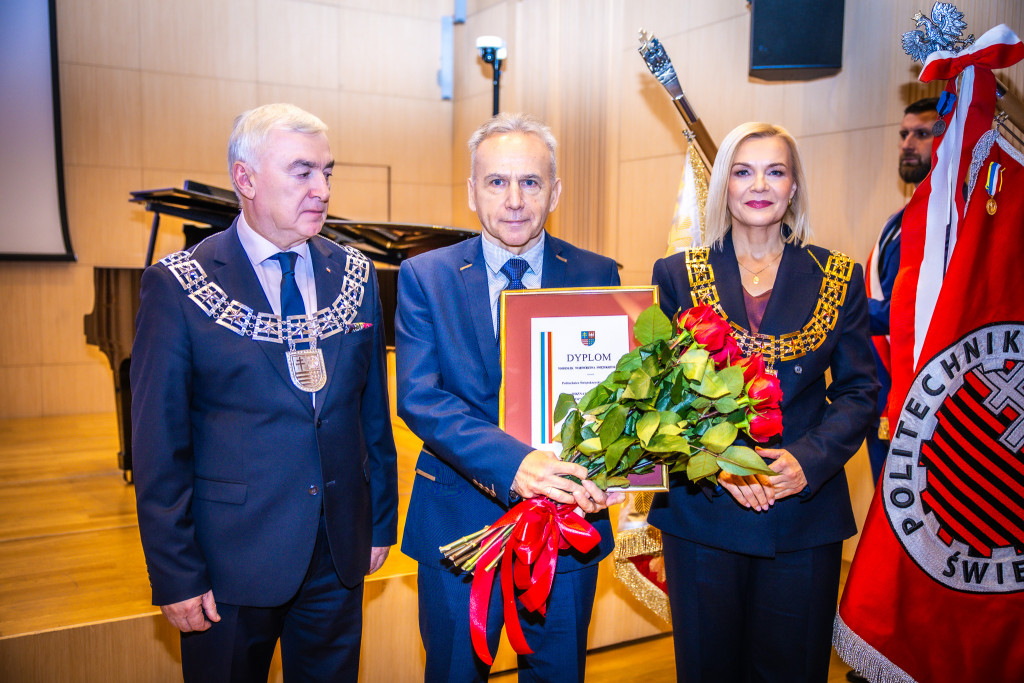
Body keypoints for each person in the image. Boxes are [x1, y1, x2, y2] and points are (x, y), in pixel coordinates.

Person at [131, 103, 398, 682]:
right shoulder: (178, 285)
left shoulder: (356, 276)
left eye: (327, 171)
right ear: (245, 179)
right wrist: (176, 573)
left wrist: (379, 522)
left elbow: (370, 413)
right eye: (302, 172)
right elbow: (158, 447)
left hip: (337, 552)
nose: (322, 189)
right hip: (229, 562)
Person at [396, 112, 623, 682]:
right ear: (472, 191)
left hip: (568, 522)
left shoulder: (598, 273)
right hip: (458, 523)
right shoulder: (426, 276)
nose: (515, 200)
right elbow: (421, 398)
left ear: (555, 191)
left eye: (531, 182)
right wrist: (516, 464)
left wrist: (621, 466)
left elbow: (618, 394)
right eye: (497, 181)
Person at [648, 122, 878, 682]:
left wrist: (808, 461)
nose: (759, 186)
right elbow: (660, 393)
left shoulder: (839, 275)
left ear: (793, 186)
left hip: (802, 512)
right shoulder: (677, 274)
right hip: (704, 509)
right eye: (743, 172)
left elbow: (859, 390)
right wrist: (722, 461)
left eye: (775, 172)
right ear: (723, 185)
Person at [863, 97, 939, 482]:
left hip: (920, 394)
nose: (907, 144)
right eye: (904, 134)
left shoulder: (949, 220)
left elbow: (914, 310)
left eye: (921, 134)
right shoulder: (899, 220)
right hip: (881, 385)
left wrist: (836, 303)